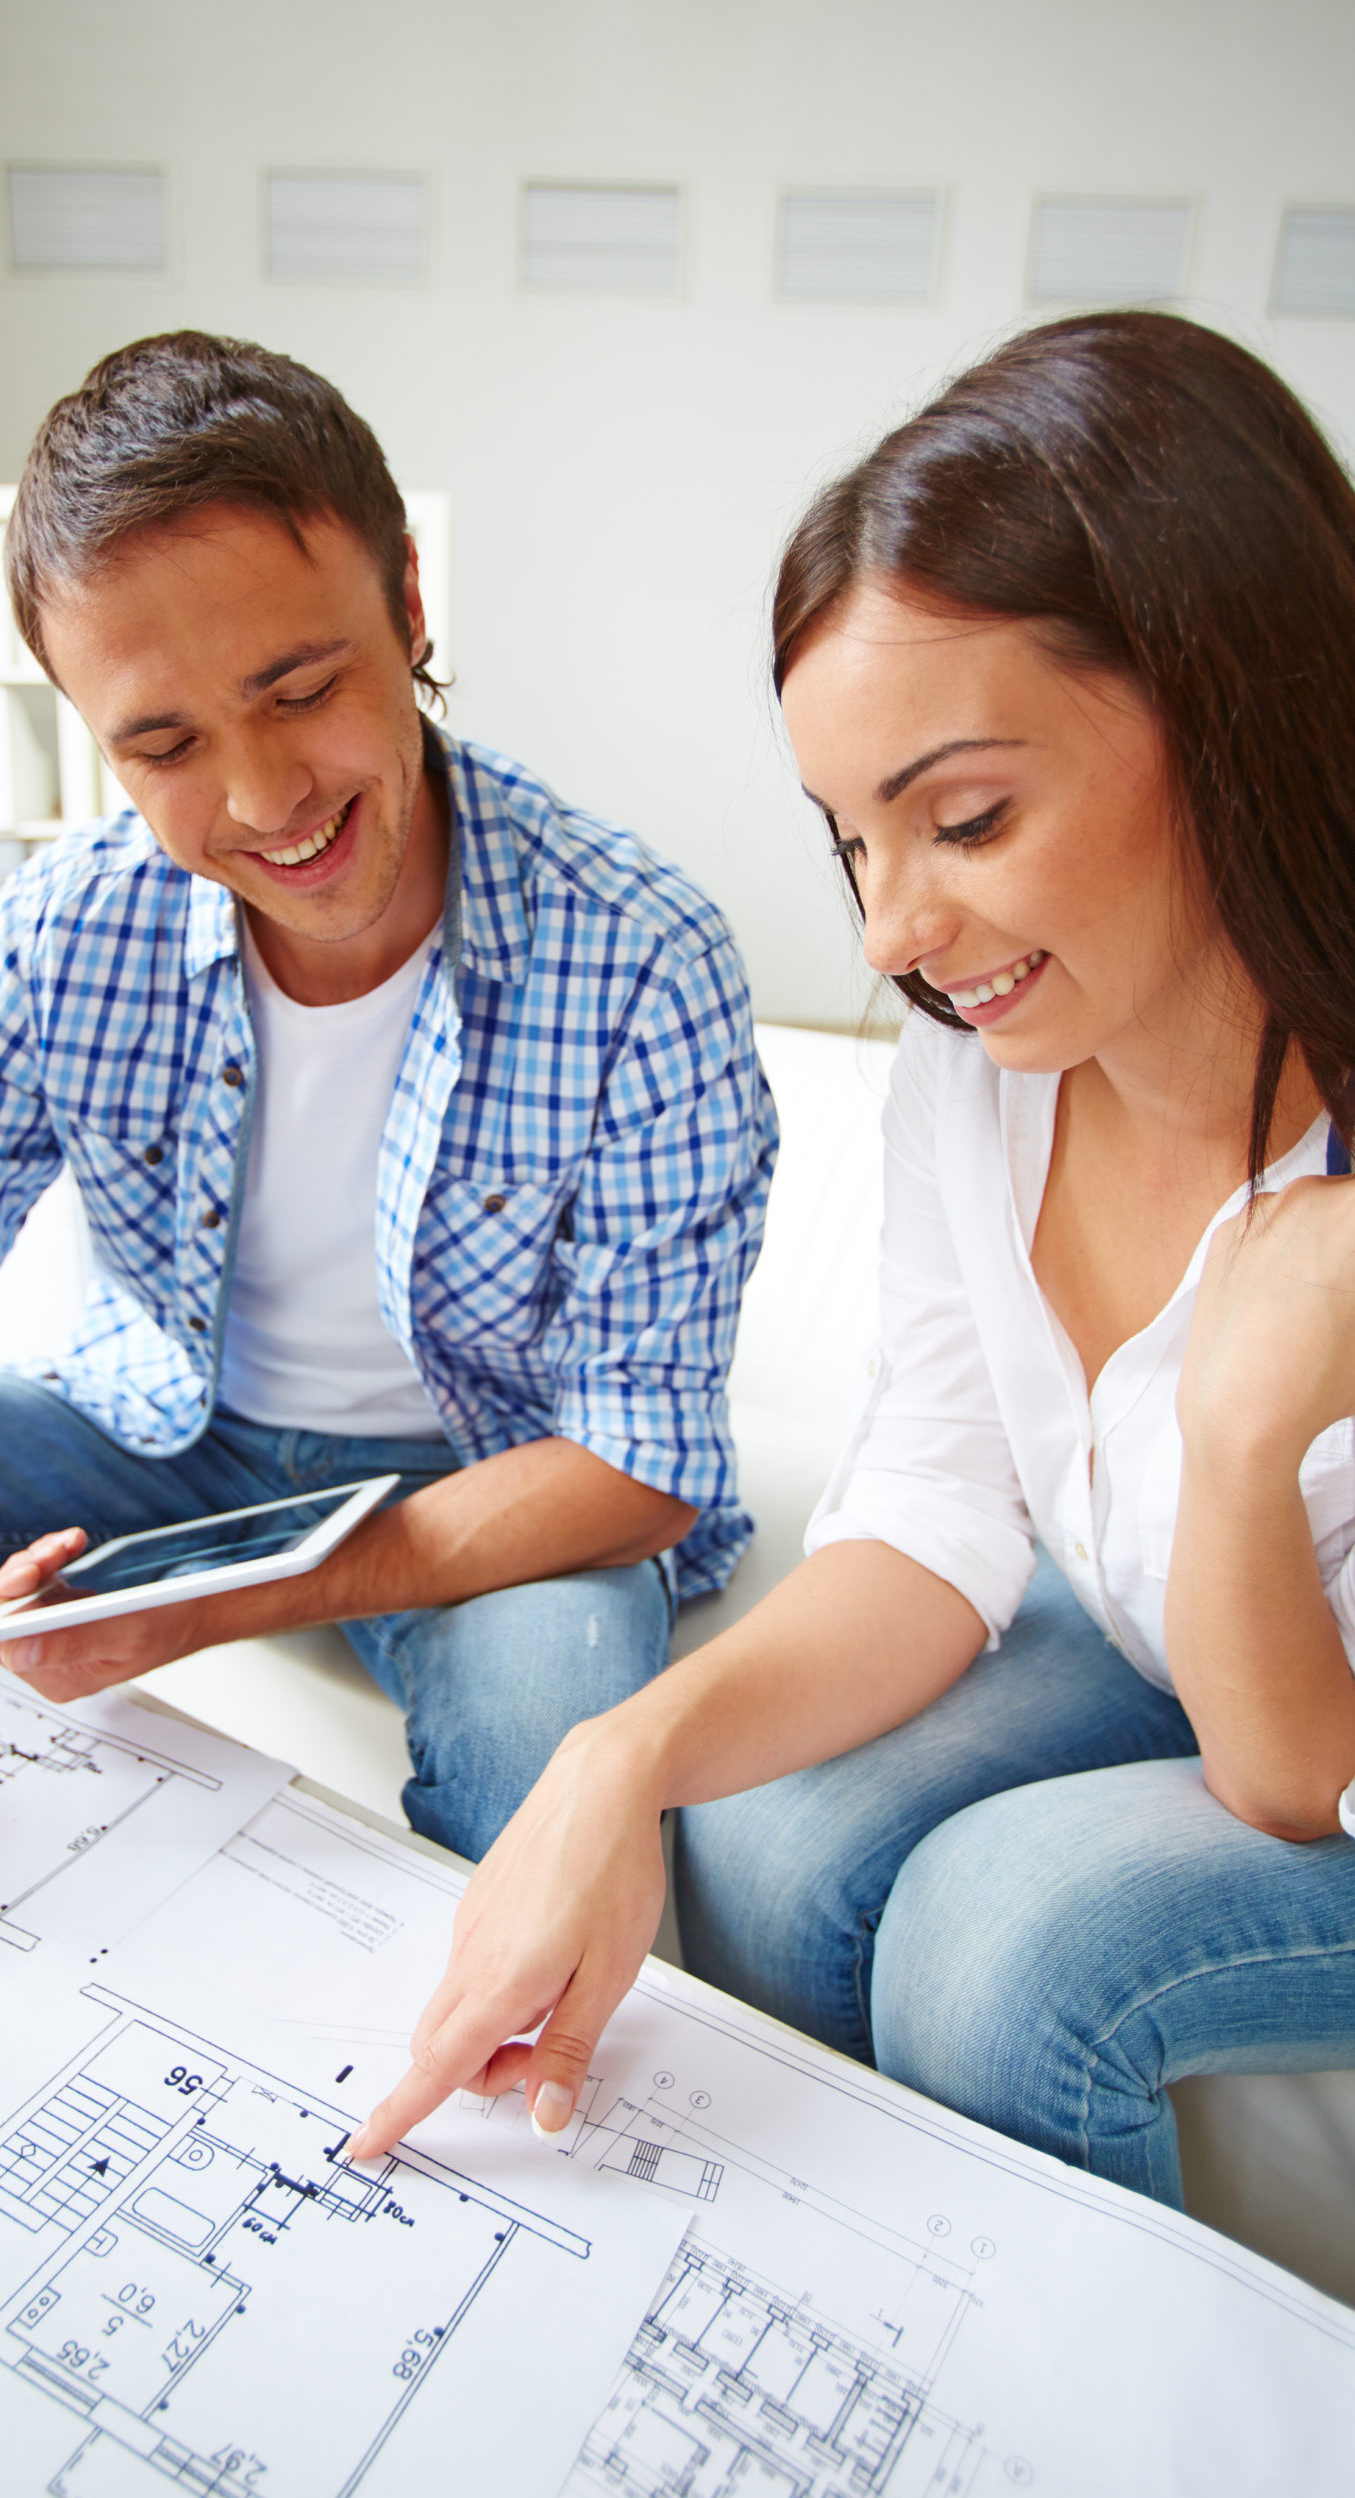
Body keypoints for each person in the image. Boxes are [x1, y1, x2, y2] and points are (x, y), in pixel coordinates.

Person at [348, 311, 1355, 2204]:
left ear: (1228, 702)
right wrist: (615, 1756)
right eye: (852, 841)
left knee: (1001, 1953)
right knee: (760, 1836)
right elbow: (934, 1507)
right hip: (1159, 1626)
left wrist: (1237, 1444)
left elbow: (1299, 1773)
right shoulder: (982, 1076)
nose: (895, 930)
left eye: (965, 818)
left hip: (1324, 1716)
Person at [0, 331, 777, 1863]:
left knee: (555, 1783)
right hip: (159, 1427)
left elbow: (641, 1463)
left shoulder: (643, 956)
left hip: (501, 1474)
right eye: (165, 745)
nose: (263, 800)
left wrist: (210, 1599)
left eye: (302, 690)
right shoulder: (73, 925)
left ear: (410, 606)